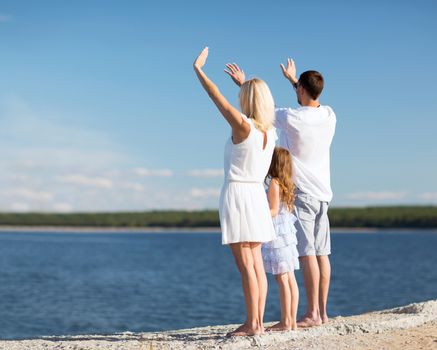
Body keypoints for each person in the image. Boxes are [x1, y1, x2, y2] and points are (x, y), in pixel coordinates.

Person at [225, 60, 336, 327]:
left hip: (303, 192)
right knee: (322, 253)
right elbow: (309, 95)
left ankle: (312, 314)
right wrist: (295, 80)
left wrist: (243, 85)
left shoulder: (292, 118)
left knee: (307, 252)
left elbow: (263, 110)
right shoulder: (330, 114)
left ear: (300, 90)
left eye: (297, 87)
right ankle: (322, 311)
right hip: (324, 194)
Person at [194, 48, 277, 336]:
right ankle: (259, 322)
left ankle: (253, 324)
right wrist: (244, 85)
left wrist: (199, 70)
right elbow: (255, 105)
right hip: (256, 196)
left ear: (247, 101)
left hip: (239, 196)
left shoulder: (242, 127)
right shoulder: (270, 132)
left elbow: (217, 98)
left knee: (246, 266)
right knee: (256, 264)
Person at [262, 147, 299, 332]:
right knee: (290, 278)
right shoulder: (287, 183)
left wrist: (258, 214)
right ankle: (291, 321)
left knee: (282, 279)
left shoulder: (274, 183)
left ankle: (285, 321)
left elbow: (274, 210)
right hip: (288, 238)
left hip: (278, 238)